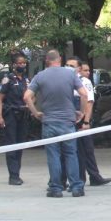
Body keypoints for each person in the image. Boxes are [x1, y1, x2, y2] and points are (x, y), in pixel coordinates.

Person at [23, 49, 90, 198]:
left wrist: (36, 113)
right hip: (67, 121)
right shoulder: (70, 74)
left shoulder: (40, 76)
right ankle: (76, 187)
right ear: (60, 59)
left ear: (46, 61)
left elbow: (27, 97)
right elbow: (84, 94)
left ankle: (56, 188)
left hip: (49, 122)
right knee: (71, 154)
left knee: (53, 155)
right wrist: (81, 112)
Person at [69, 59, 111, 186]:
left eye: (88, 70)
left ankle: (92, 176)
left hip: (81, 119)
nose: (88, 73)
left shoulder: (85, 83)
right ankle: (84, 177)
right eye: (85, 70)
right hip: (73, 118)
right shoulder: (71, 81)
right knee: (78, 150)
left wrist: (86, 121)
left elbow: (89, 102)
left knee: (86, 149)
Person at [0, 52, 30, 185]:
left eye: (24, 63)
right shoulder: (8, 79)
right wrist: (0, 116)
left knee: (20, 144)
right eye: (20, 63)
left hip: (23, 114)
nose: (22, 65)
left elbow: (32, 96)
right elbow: (0, 98)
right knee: (11, 144)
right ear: (14, 65)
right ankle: (13, 175)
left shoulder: (26, 80)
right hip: (10, 115)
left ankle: (17, 173)